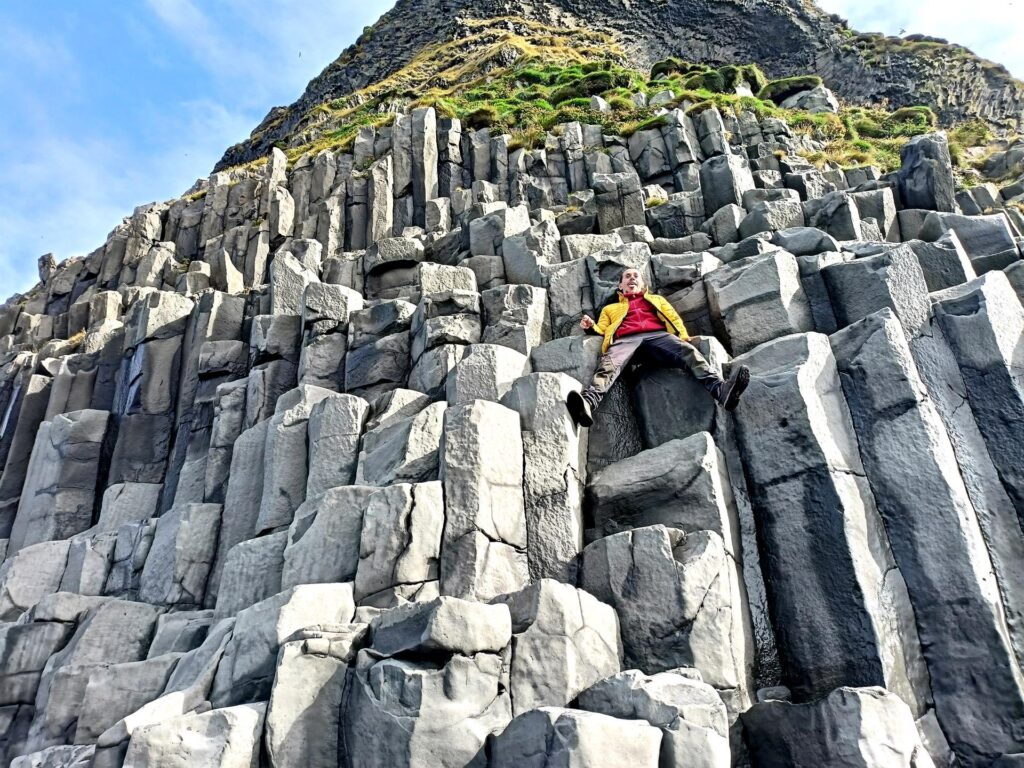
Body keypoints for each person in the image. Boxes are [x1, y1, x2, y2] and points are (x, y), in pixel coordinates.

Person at [565, 267, 750, 427]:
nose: (632, 279)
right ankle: (588, 404)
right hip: (626, 340)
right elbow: (603, 330)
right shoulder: (610, 309)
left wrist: (683, 337)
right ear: (620, 286)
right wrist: (591, 327)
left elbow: (673, 318)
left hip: (659, 336)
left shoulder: (656, 300)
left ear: (643, 284)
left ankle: (721, 391)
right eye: (627, 276)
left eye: (636, 276)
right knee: (609, 364)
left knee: (689, 352)